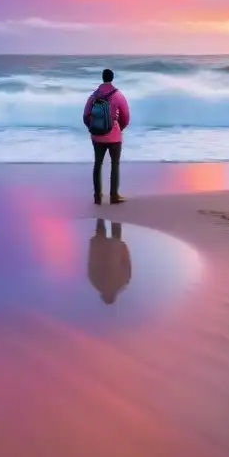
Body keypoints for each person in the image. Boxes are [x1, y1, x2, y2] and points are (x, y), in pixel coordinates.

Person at [82, 68, 130, 205]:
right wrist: (119, 128)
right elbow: (126, 116)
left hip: (97, 136)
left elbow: (86, 116)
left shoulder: (93, 96)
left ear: (102, 78)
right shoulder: (118, 95)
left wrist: (93, 129)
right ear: (112, 78)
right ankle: (114, 196)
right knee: (115, 164)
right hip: (114, 136)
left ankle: (97, 197)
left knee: (98, 164)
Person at [87, 219, 132, 305]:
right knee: (102, 229)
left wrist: (124, 250)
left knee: (113, 232)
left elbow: (126, 265)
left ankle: (110, 214)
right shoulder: (97, 283)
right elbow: (91, 264)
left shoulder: (120, 284)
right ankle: (104, 214)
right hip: (103, 251)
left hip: (112, 252)